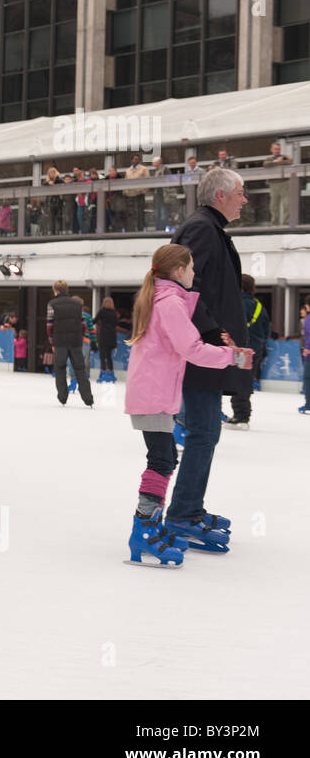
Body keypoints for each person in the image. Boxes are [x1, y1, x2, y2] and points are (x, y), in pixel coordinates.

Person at [123, 244, 252, 565]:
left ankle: (150, 525)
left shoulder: (167, 299)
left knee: (164, 458)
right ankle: (143, 528)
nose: (195, 273)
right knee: (162, 460)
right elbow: (191, 348)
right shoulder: (169, 303)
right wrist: (231, 357)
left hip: (154, 392)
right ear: (179, 272)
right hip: (153, 394)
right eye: (192, 268)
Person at [166, 168, 249, 548]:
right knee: (203, 433)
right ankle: (183, 515)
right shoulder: (201, 229)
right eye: (241, 193)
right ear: (221, 195)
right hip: (200, 352)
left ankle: (189, 508)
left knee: (206, 434)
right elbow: (186, 287)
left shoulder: (210, 229)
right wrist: (214, 333)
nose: (245, 200)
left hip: (208, 349)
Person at [226, 273, 270, 429]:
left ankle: (241, 417)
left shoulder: (235, 304)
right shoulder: (259, 306)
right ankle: (243, 415)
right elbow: (266, 330)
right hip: (255, 350)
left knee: (238, 382)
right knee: (246, 381)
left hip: (239, 350)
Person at [47, 280, 93, 406]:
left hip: (60, 342)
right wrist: (80, 337)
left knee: (60, 368)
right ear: (66, 290)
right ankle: (88, 398)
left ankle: (63, 397)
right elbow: (83, 324)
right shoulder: (77, 304)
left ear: (55, 291)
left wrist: (52, 343)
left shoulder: (52, 304)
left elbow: (49, 325)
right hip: (75, 341)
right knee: (80, 369)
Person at [264, 142, 292, 226]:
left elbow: (290, 162)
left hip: (285, 183)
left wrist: (286, 160)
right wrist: (277, 161)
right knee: (274, 205)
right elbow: (266, 165)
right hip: (273, 184)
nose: (277, 150)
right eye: (275, 149)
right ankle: (275, 223)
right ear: (271, 150)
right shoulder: (269, 158)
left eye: (278, 149)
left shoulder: (283, 157)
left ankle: (286, 222)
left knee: (287, 204)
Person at [96, 297, 120, 382]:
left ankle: (103, 373)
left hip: (104, 336)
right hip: (112, 336)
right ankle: (111, 374)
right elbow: (116, 324)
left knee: (102, 356)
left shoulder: (102, 311)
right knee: (109, 356)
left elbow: (95, 320)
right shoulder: (114, 313)